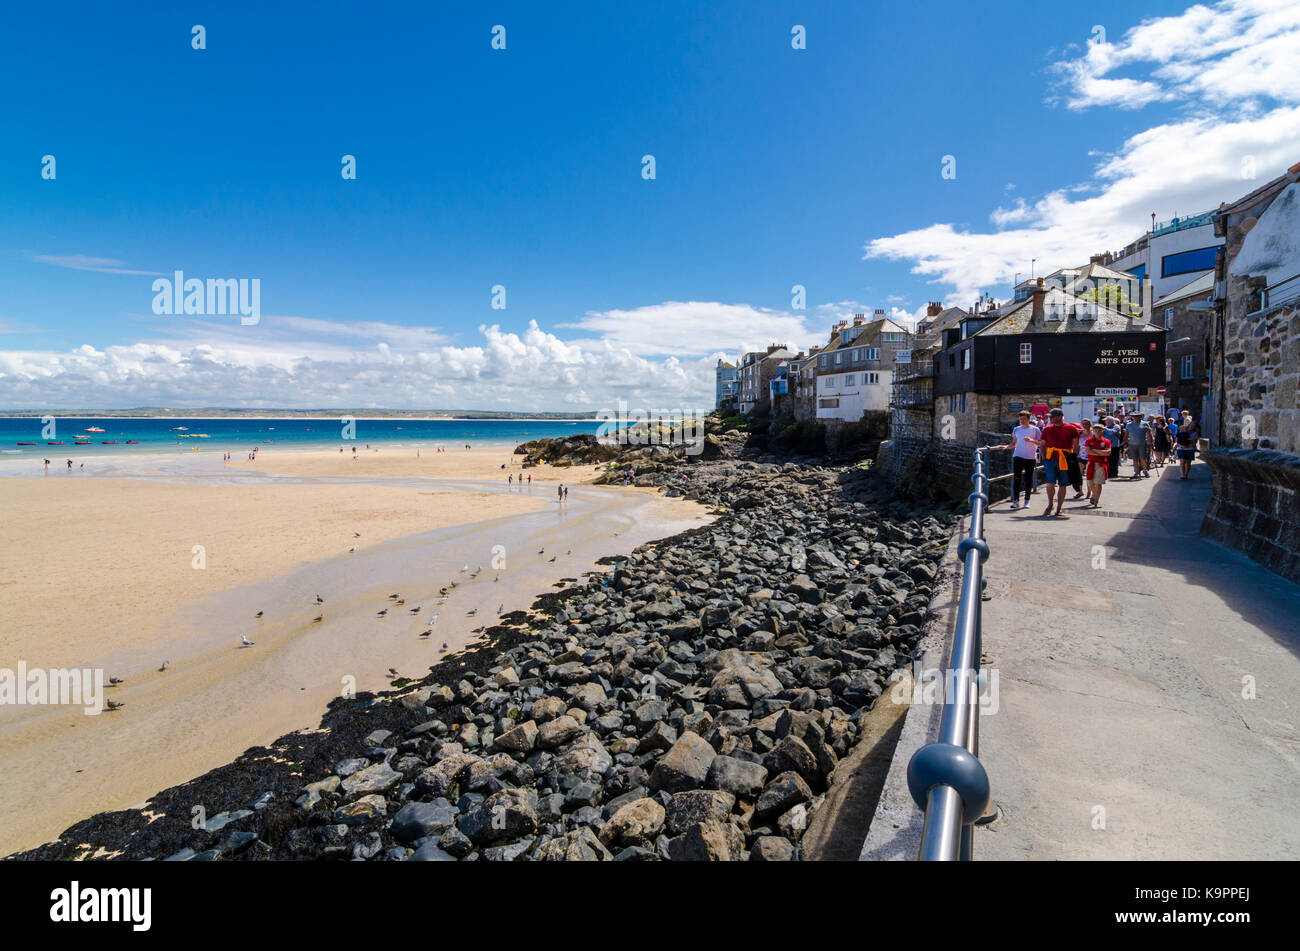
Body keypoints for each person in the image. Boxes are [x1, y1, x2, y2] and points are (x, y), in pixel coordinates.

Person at [1039, 409, 1080, 517]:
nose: (1050, 419)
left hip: (1066, 460)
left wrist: (1073, 458)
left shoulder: (1071, 429)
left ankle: (1059, 508)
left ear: (1060, 416)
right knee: (1050, 483)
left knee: (1063, 484)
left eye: (1052, 416)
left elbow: (1077, 445)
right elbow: (1042, 444)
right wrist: (1044, 458)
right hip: (1050, 460)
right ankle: (1050, 504)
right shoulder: (1047, 429)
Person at [997, 410, 1042, 510]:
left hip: (1030, 457)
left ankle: (1027, 501)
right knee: (1017, 479)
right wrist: (1006, 447)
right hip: (1018, 456)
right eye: (1020, 419)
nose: (1021, 421)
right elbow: (1014, 443)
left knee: (1028, 479)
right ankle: (1016, 501)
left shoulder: (1035, 430)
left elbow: (1040, 443)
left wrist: (1031, 440)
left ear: (1029, 419)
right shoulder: (1017, 429)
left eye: (1024, 419)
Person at [1083, 423, 1112, 507]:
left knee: (1098, 483)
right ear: (1093, 431)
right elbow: (1088, 451)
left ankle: (1096, 501)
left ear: (1103, 431)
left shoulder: (1106, 441)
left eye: (1100, 430)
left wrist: (1095, 450)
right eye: (1095, 430)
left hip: (1101, 464)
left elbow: (1108, 452)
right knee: (1090, 483)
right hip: (1091, 463)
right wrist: (1100, 453)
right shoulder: (1089, 440)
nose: (1097, 432)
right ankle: (1094, 494)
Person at [1124, 413, 1152, 479]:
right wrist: (1124, 442)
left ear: (1140, 417)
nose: (1136, 418)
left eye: (1137, 416)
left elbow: (1149, 434)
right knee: (1135, 459)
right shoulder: (1129, 425)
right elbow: (1126, 434)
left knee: (1143, 458)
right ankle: (1136, 473)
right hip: (1132, 444)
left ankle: (1145, 471)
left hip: (1142, 444)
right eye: (1134, 416)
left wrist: (1151, 442)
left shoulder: (1145, 424)